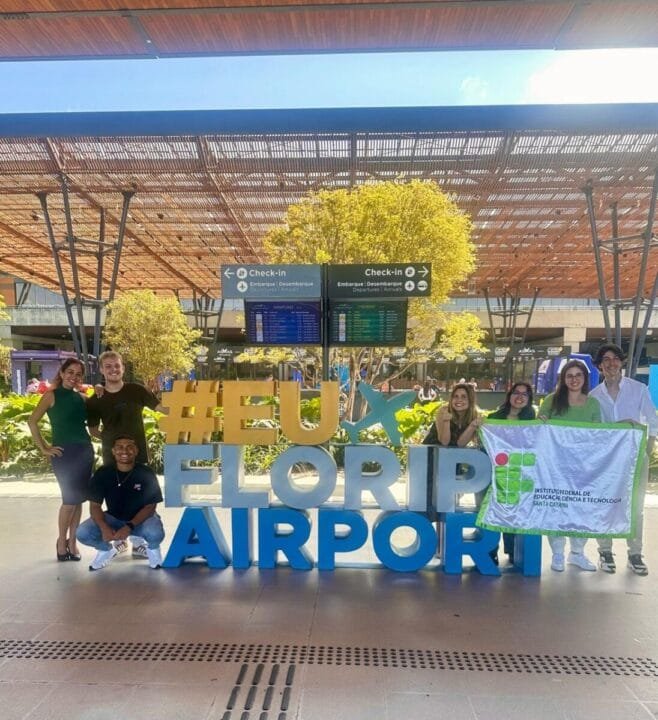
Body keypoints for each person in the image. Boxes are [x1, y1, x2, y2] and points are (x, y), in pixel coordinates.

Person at [86, 350, 164, 558]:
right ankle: (118, 539)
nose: (113, 370)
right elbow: (93, 429)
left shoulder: (136, 390)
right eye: (108, 366)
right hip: (113, 456)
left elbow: (161, 408)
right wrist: (108, 438)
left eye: (117, 366)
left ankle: (139, 540)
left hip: (138, 453)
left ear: (123, 368)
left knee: (144, 495)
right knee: (116, 495)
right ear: (101, 370)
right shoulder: (96, 399)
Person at [590, 343, 658, 576]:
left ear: (621, 362)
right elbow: (595, 429)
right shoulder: (594, 396)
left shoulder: (638, 388)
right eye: (605, 360)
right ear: (600, 366)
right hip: (608, 460)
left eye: (615, 359)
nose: (611, 363)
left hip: (636, 455)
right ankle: (605, 551)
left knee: (636, 507)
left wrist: (648, 447)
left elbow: (651, 418)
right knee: (606, 504)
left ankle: (635, 553)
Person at [27, 358, 95, 562]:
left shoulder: (83, 398)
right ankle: (60, 541)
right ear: (62, 373)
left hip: (84, 451)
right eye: (70, 372)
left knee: (79, 499)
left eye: (78, 374)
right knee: (69, 500)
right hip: (64, 454)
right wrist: (45, 448)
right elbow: (32, 422)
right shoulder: (51, 396)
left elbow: (93, 422)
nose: (74, 377)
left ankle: (73, 542)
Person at [539, 359, 601, 572]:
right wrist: (543, 421)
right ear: (563, 379)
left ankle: (577, 553)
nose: (574, 379)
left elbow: (598, 436)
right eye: (569, 375)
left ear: (585, 378)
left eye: (578, 375)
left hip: (583, 469)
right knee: (556, 508)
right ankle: (557, 553)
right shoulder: (550, 401)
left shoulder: (593, 404)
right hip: (555, 467)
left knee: (581, 509)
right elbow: (539, 431)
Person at [76, 435, 165, 571]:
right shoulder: (103, 473)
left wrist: (129, 526)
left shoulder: (145, 473)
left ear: (136, 451)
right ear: (113, 451)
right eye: (120, 447)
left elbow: (150, 506)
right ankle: (105, 550)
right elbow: (95, 505)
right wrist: (104, 527)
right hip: (114, 519)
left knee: (155, 533)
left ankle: (153, 550)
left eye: (130, 447)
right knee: (83, 533)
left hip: (141, 520)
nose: (125, 451)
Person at [486, 381, 536, 564]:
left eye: (525, 394)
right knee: (494, 512)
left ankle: (512, 550)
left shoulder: (533, 421)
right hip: (496, 473)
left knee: (513, 512)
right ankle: (491, 551)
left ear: (529, 399)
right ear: (509, 395)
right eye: (516, 392)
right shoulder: (493, 417)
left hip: (519, 474)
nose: (520, 397)